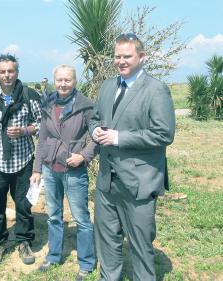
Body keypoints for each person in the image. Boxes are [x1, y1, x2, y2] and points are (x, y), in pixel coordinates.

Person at [89, 33, 176, 281]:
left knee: (140, 245)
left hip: (139, 181)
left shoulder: (156, 90)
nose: (121, 61)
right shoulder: (107, 86)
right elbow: (95, 118)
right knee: (107, 241)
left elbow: (163, 134)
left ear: (141, 57)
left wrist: (118, 138)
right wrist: (94, 130)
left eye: (127, 56)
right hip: (107, 180)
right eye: (117, 56)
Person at [30, 65, 98, 281]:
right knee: (54, 216)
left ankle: (86, 263)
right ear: (54, 81)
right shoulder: (48, 103)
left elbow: (98, 136)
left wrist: (84, 156)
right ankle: (54, 256)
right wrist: (37, 168)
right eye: (59, 80)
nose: (63, 84)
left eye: (67, 80)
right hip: (51, 169)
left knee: (81, 218)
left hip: (73, 170)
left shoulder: (86, 105)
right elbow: (42, 139)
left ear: (75, 81)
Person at [0, 54, 42, 267]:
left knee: (23, 203)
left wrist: (25, 130)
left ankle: (23, 240)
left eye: (10, 71)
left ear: (17, 73)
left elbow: (43, 125)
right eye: (2, 71)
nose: (7, 75)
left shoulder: (30, 96)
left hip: (23, 160)